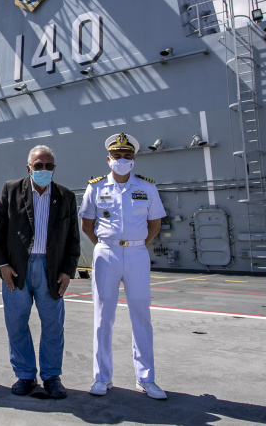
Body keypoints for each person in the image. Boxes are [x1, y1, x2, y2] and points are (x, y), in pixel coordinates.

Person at [79, 133, 168, 400]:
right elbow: (87, 224)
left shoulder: (147, 188)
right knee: (102, 317)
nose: (121, 160)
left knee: (141, 315)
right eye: (116, 156)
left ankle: (146, 378)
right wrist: (106, 245)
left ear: (133, 160)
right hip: (106, 252)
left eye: (127, 156)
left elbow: (155, 224)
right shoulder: (96, 187)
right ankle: (102, 378)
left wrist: (137, 244)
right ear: (108, 159)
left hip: (137, 252)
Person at [0, 145, 80, 399]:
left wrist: (67, 271)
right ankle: (25, 375)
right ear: (28, 168)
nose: (43, 169)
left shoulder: (66, 196)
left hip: (51, 270)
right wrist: (2, 265)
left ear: (54, 168)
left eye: (48, 166)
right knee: (16, 323)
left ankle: (52, 377)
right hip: (16, 269)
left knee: (53, 325)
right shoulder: (11, 190)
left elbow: (73, 239)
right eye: (38, 165)